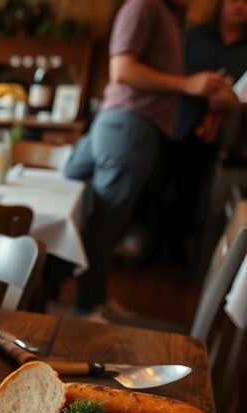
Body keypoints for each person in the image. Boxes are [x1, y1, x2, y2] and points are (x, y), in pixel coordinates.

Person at [63, 0, 227, 319]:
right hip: (128, 126)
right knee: (105, 219)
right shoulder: (143, 5)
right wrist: (187, 84)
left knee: (100, 213)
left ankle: (93, 298)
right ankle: (84, 308)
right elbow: (121, 70)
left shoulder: (170, 16)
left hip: (128, 126)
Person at [164, 0, 246, 261]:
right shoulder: (195, 35)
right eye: (234, 0)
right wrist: (198, 85)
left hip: (218, 128)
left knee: (194, 191)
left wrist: (229, 97)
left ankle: (179, 250)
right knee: (162, 185)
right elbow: (172, 71)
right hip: (179, 117)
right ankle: (151, 248)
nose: (240, 6)